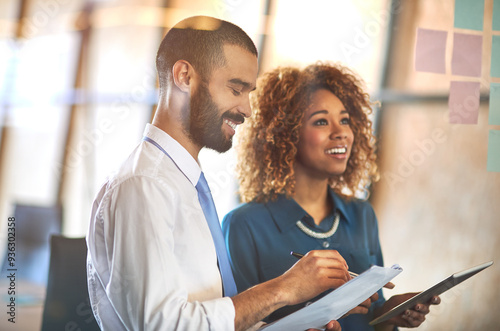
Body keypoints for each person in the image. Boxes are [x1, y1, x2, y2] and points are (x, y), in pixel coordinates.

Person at [86, 16, 347, 331]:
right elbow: (162, 326)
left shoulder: (184, 183)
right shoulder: (144, 186)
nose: (247, 109)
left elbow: (208, 315)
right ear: (184, 77)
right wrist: (283, 289)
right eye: (236, 89)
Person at [222, 63, 441, 331]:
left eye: (345, 120)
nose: (341, 133)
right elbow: (238, 323)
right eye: (322, 121)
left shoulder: (362, 215)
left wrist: (388, 314)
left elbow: (370, 318)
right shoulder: (244, 225)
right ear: (286, 135)